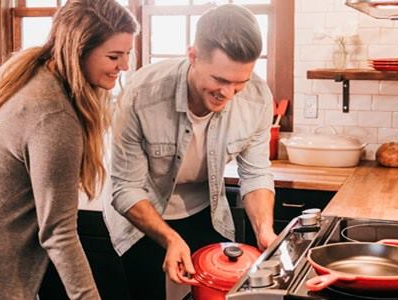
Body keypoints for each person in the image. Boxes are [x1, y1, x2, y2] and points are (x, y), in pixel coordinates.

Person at [0, 1, 137, 299]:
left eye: (127, 54)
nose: (124, 66)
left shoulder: (32, 72)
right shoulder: (54, 115)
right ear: (78, 49)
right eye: (114, 56)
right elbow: (59, 233)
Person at [104, 4, 277, 299]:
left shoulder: (257, 98)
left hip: (207, 212)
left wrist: (264, 229)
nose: (228, 93)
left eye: (240, 83)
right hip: (142, 217)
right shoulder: (140, 94)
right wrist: (170, 238)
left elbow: (256, 172)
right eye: (220, 80)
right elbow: (126, 188)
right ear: (193, 55)